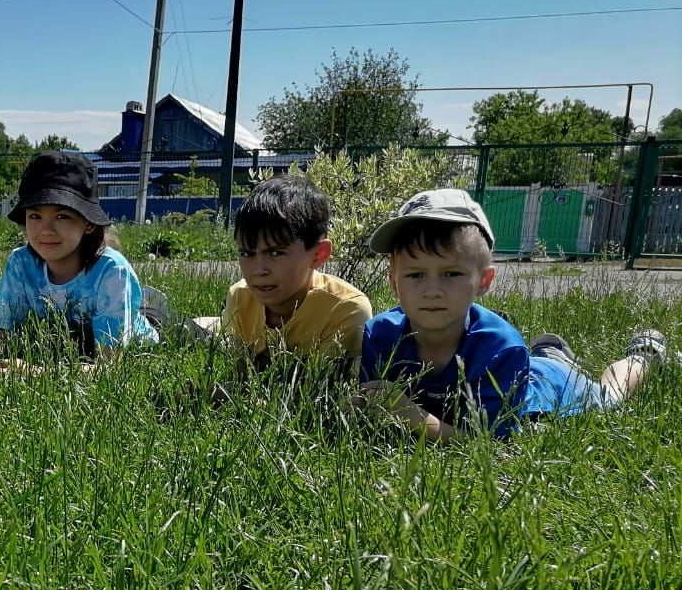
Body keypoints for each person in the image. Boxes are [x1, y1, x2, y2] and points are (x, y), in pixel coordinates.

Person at [357, 188, 670, 441]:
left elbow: (490, 443)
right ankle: (549, 353)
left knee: (609, 397)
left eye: (451, 274)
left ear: (483, 281)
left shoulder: (501, 348)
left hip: (551, 390)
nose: (433, 290)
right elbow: (374, 415)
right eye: (415, 275)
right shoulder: (379, 336)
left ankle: (642, 355)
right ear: (393, 282)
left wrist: (413, 417)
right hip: (521, 369)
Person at [0, 152, 158, 373]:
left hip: (135, 340)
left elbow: (109, 367)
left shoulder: (111, 271)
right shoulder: (20, 263)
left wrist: (36, 373)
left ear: (88, 224)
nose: (46, 231)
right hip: (67, 343)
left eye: (62, 217)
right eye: (35, 216)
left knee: (170, 320)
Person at [209, 177, 372, 370]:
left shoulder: (346, 309)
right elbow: (232, 374)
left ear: (319, 254)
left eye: (276, 253)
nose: (259, 270)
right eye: (247, 253)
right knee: (202, 334)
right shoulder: (240, 296)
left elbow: (320, 391)